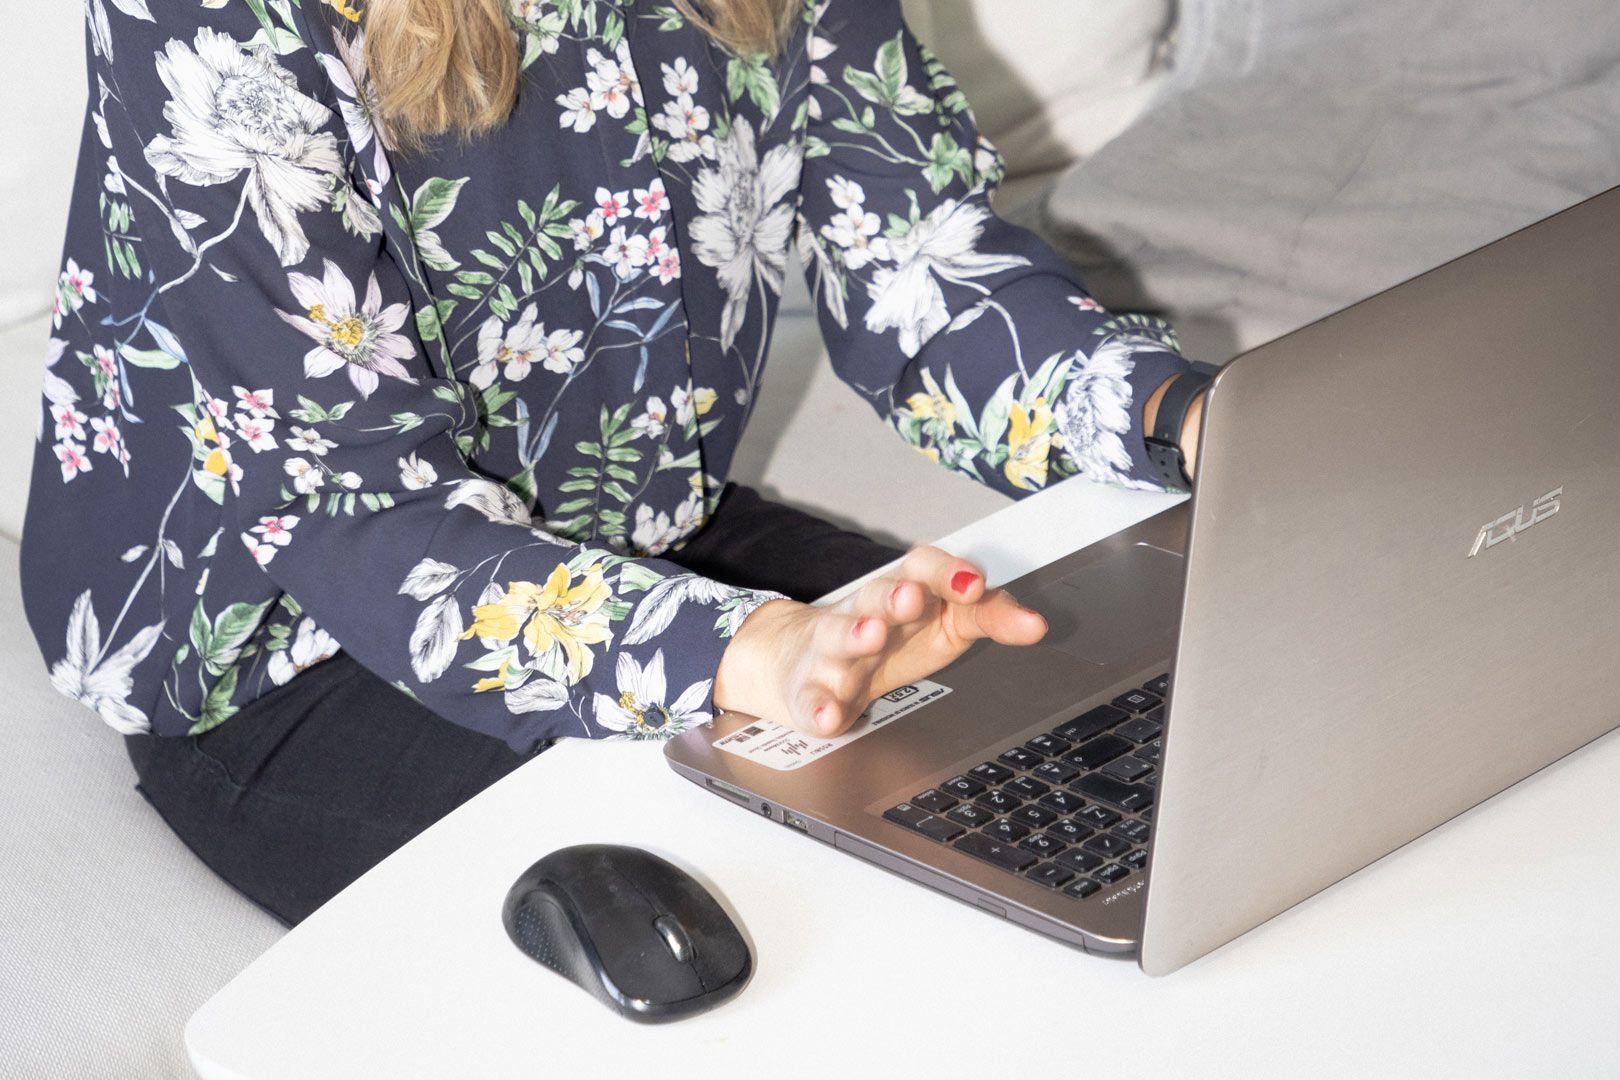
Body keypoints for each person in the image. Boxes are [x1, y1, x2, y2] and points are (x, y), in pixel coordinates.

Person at [23, 0, 1205, 924]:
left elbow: (918, 266)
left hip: (638, 527)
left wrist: (1183, 420)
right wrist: (750, 651)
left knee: (1086, 713)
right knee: (815, 893)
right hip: (285, 655)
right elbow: (353, 514)